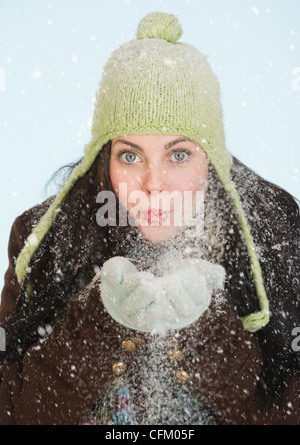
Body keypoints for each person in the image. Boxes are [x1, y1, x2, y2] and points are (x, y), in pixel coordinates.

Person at [0, 12, 299, 425]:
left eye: (179, 154)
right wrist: (99, 322)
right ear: (104, 159)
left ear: (211, 160)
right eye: (130, 155)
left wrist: (206, 333)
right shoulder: (48, 239)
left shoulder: (272, 229)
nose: (153, 183)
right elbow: (11, 410)